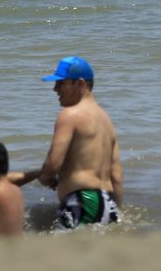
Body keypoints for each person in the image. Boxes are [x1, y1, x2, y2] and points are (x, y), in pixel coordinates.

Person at [37, 55, 123, 229]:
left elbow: (53, 164)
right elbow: (116, 176)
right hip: (108, 203)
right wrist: (117, 212)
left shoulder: (69, 115)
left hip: (82, 201)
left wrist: (45, 177)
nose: (55, 88)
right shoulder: (106, 121)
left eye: (61, 83)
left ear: (80, 84)